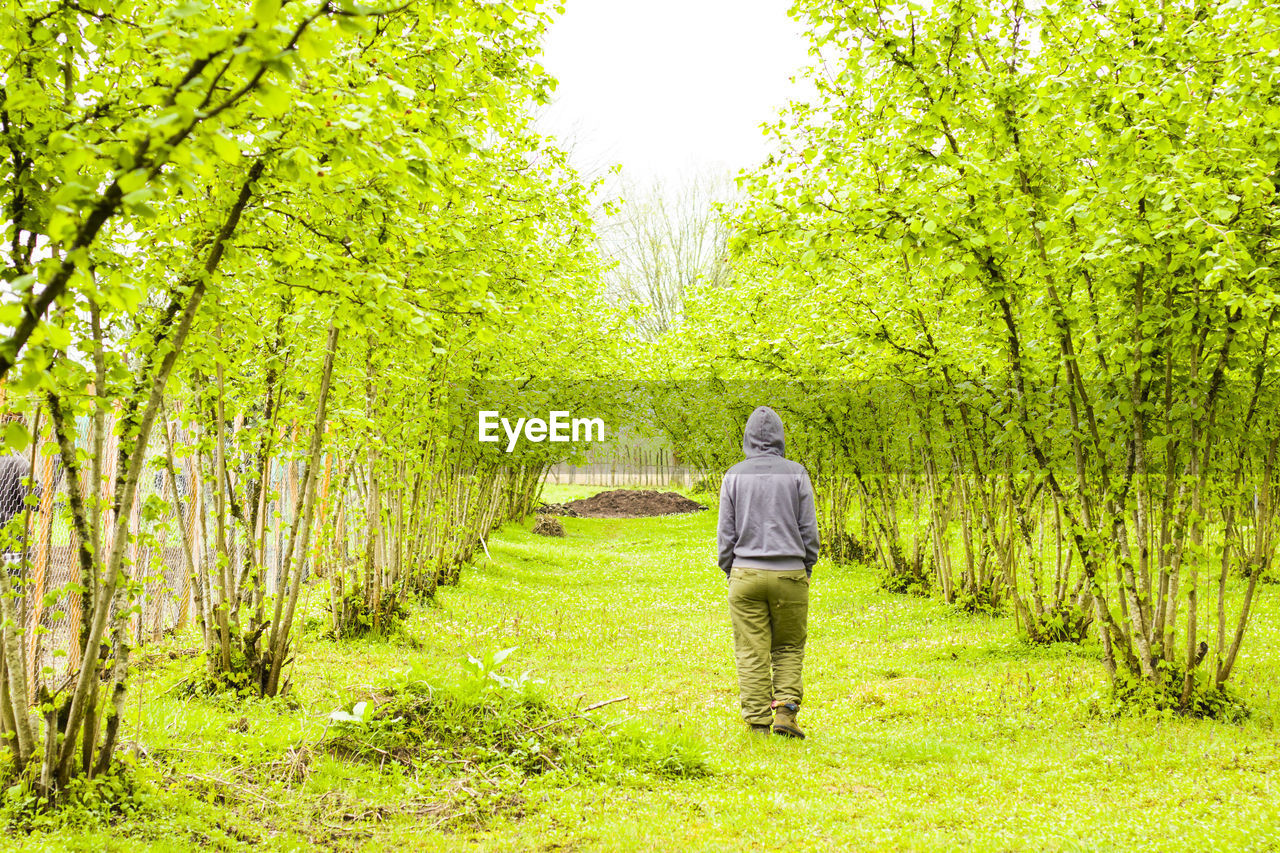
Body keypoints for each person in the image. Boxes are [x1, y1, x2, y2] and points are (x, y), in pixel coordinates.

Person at [717, 406, 820, 739]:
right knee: (788, 646)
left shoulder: (733, 475)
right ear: (780, 437)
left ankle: (758, 723)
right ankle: (786, 714)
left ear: (747, 438)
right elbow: (809, 530)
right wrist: (805, 566)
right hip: (790, 573)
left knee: (751, 648)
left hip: (745, 573)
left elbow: (726, 533)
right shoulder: (796, 473)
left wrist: (730, 569)